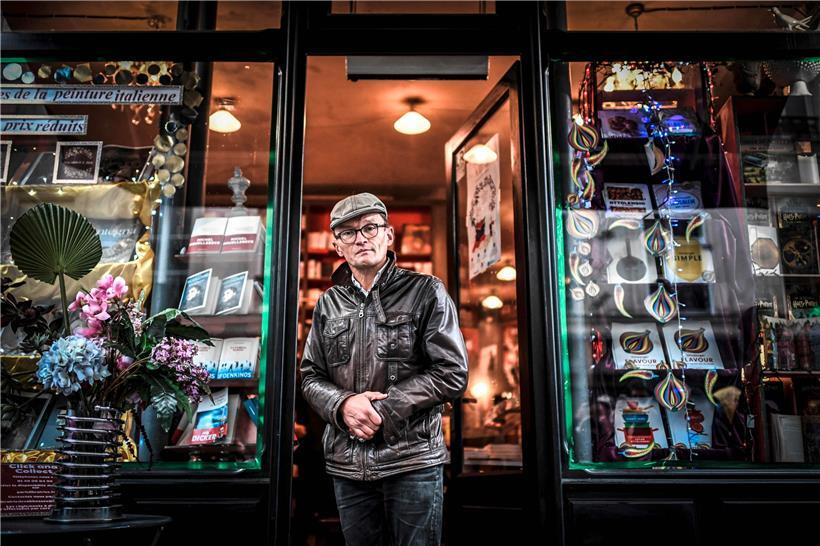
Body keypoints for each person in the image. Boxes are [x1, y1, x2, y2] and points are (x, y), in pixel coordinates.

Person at [300, 192, 468, 546]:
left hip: (412, 461)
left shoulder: (426, 291)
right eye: (348, 233)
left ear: (388, 235)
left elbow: (451, 371)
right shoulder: (328, 304)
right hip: (347, 464)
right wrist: (343, 404)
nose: (361, 238)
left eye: (370, 227)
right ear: (337, 246)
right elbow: (310, 375)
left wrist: (382, 409)